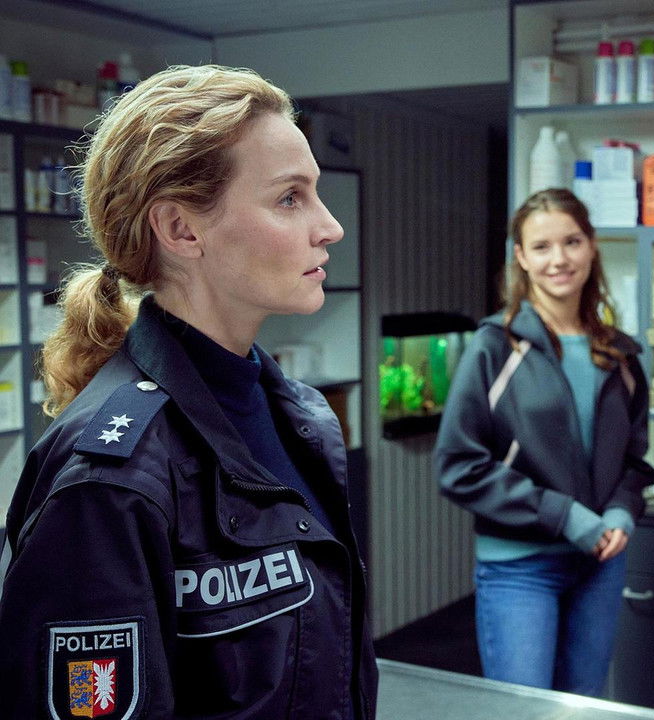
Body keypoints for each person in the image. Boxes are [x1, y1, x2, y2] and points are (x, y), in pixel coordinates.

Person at [0, 65, 377, 719]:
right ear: (180, 229)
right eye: (290, 198)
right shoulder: (108, 479)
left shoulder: (300, 417)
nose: (330, 227)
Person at [435, 188, 654, 696]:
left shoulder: (620, 356)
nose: (559, 259)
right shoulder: (494, 347)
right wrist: (565, 516)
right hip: (519, 567)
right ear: (521, 257)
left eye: (572, 242)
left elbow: (635, 461)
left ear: (592, 246)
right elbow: (458, 466)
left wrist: (622, 510)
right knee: (524, 708)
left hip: (599, 563)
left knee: (583, 706)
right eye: (541, 247)